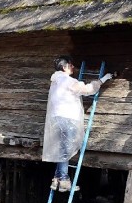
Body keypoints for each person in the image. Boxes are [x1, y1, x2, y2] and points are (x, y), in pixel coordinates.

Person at [42, 56, 113, 192]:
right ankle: (63, 180)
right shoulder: (67, 81)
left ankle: (57, 178)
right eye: (71, 65)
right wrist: (103, 79)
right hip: (67, 118)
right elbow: (88, 90)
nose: (73, 67)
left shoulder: (55, 81)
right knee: (65, 149)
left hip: (56, 118)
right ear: (65, 67)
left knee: (62, 148)